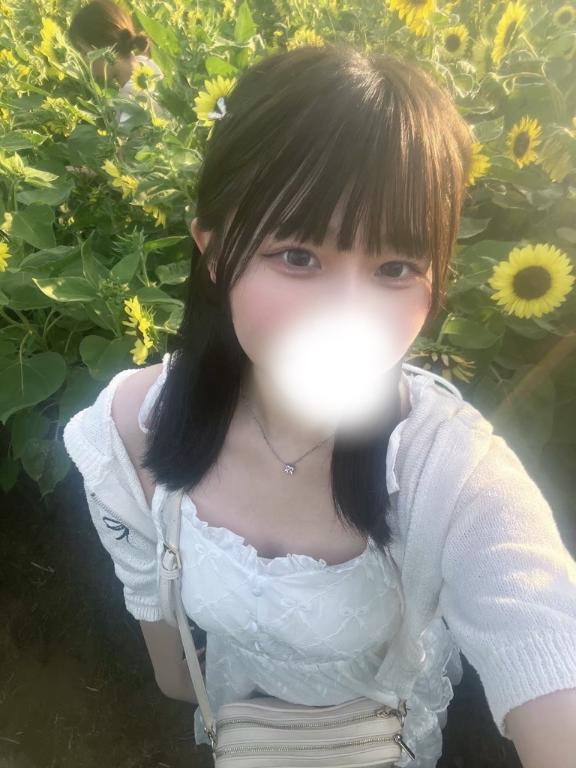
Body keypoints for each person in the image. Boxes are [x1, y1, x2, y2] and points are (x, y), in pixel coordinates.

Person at [62, 44, 576, 767]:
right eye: (299, 256)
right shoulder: (126, 435)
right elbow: (173, 664)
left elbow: (542, 627)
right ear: (215, 253)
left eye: (395, 268)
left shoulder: (450, 471)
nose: (347, 316)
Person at [68, 0, 165, 125]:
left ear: (104, 49)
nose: (83, 61)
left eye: (84, 52)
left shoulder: (127, 106)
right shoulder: (150, 65)